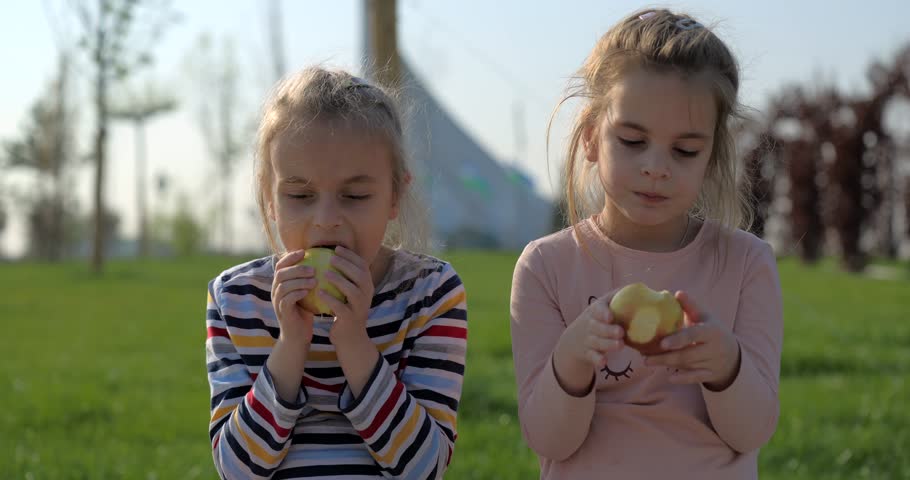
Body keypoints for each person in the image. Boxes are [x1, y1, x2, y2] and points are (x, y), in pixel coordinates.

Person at [509, 8, 783, 479]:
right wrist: (572, 358)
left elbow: (752, 432)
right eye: (633, 141)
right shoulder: (546, 266)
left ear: (712, 156)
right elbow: (549, 440)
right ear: (592, 137)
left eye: (685, 150)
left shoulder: (746, 263)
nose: (657, 166)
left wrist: (727, 366)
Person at [205, 66, 468, 479]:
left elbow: (423, 467)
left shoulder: (430, 294)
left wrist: (353, 340)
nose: (326, 220)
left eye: (354, 195)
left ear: (395, 194)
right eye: (300, 195)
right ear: (269, 198)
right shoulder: (236, 299)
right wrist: (291, 343)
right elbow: (238, 470)